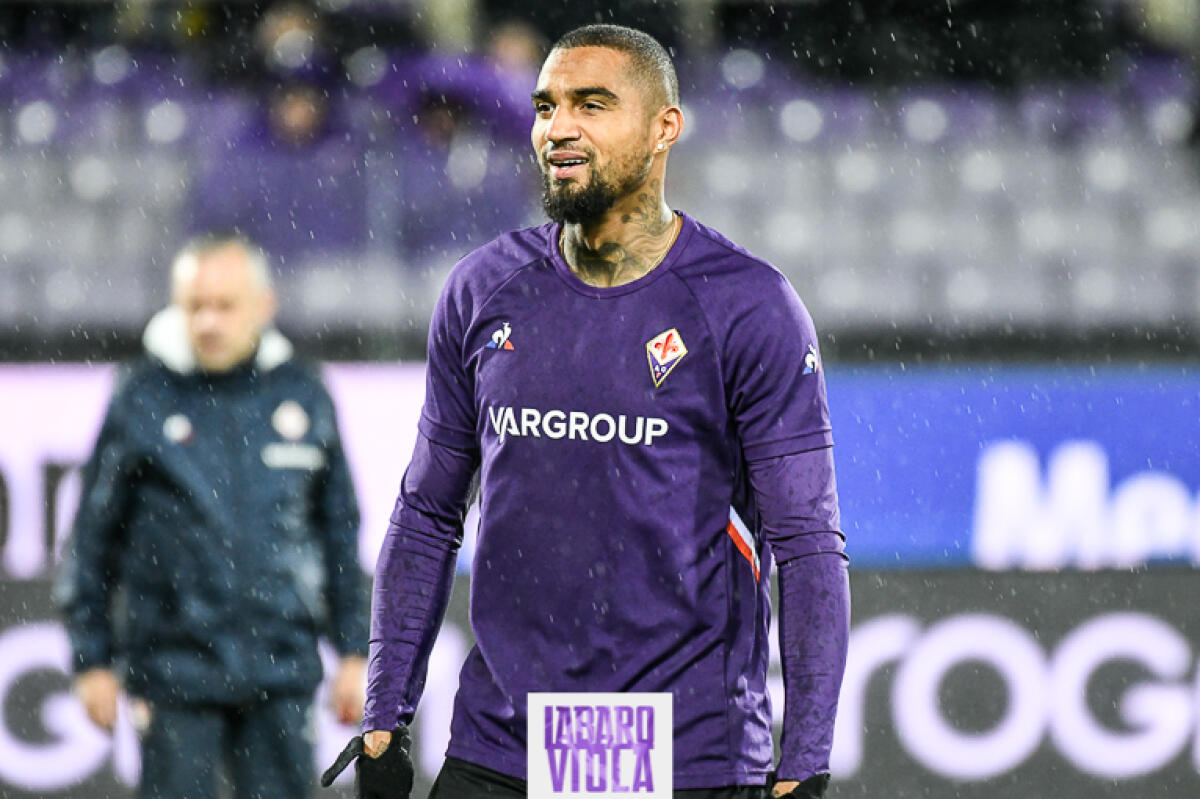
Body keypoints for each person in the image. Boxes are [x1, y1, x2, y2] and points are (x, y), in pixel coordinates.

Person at [330, 23, 849, 799]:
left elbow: (808, 545)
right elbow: (428, 512)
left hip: (684, 757)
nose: (558, 128)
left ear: (664, 128)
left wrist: (805, 758)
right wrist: (386, 711)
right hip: (503, 748)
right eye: (546, 107)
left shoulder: (750, 307)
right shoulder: (482, 290)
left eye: (592, 105)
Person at [56, 233, 369, 798]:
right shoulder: (142, 396)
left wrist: (355, 649)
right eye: (195, 306)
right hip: (174, 675)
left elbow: (339, 532)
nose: (207, 322)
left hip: (281, 672)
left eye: (225, 306)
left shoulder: (302, 393)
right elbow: (92, 537)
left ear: (263, 306)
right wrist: (90, 659)